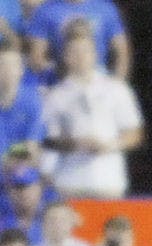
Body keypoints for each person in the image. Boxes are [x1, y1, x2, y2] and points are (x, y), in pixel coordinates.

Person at [41, 28, 144, 199]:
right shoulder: (55, 96)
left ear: (95, 54)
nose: (81, 57)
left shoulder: (117, 89)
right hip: (69, 182)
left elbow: (134, 133)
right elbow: (47, 140)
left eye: (85, 51)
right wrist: (75, 144)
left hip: (108, 181)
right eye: (74, 52)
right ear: (65, 57)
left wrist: (110, 145)